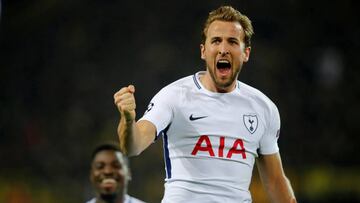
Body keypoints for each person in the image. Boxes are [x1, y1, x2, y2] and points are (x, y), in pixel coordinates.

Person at [114, 5, 297, 203]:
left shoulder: (263, 108)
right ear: (203, 50)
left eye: (232, 42)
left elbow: (275, 181)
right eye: (216, 41)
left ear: (246, 53)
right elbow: (132, 146)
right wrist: (128, 119)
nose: (223, 49)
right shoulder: (174, 96)